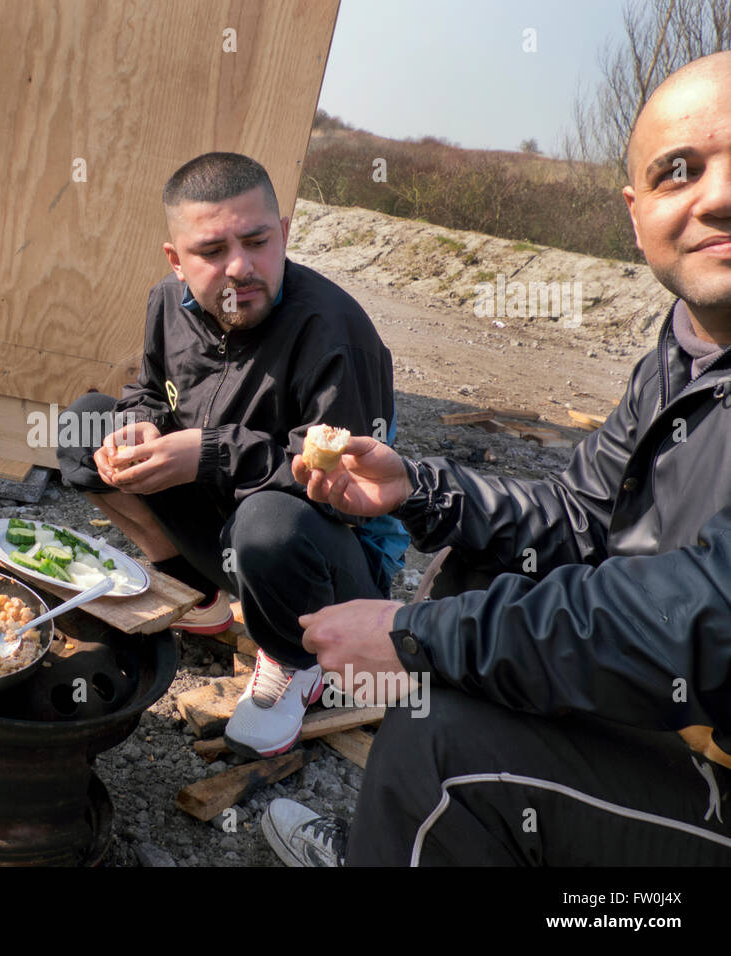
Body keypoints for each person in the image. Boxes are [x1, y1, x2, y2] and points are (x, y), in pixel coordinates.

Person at [271, 51, 731, 866]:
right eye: (679, 172)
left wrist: (417, 637)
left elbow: (706, 613)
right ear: (636, 212)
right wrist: (419, 485)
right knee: (480, 576)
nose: (719, 196)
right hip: (682, 706)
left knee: (439, 749)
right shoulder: (686, 353)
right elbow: (577, 515)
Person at [56, 152, 408, 760]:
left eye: (256, 240)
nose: (240, 267)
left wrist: (210, 454)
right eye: (212, 251)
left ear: (285, 234)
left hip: (327, 559)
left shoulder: (336, 334)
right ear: (176, 258)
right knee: (85, 423)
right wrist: (139, 428)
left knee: (268, 523)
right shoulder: (168, 302)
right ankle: (202, 593)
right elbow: (146, 390)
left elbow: (348, 494)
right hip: (225, 522)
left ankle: (295, 661)